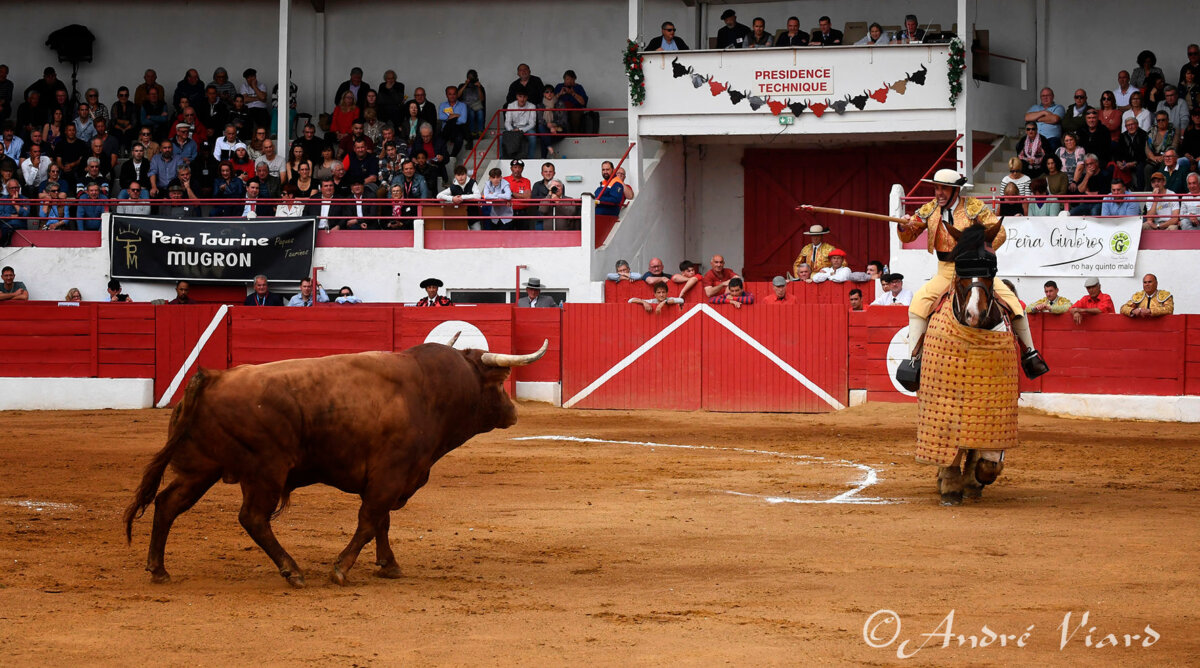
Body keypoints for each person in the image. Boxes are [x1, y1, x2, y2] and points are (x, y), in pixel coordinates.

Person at [896, 169, 1041, 367]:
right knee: (918, 305)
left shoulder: (974, 207)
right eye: (936, 188)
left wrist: (977, 253)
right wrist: (904, 226)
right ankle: (914, 361)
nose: (939, 193)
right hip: (945, 271)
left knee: (1013, 303)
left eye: (944, 188)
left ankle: (1030, 355)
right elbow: (909, 234)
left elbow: (999, 233)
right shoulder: (929, 210)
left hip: (975, 269)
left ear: (956, 190)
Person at [530, 162, 575, 231]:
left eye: (550, 171)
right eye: (545, 171)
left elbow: (561, 198)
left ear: (554, 173)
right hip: (540, 218)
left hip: (559, 218)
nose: (548, 173)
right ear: (542, 173)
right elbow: (534, 199)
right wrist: (549, 196)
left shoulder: (560, 185)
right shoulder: (537, 185)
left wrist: (556, 199)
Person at [1112, 116, 1149, 190]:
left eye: (1132, 124)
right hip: (1126, 162)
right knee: (1116, 167)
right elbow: (1118, 152)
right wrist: (1118, 161)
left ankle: (1140, 191)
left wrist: (1133, 163)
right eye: (1128, 125)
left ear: (1137, 125)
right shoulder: (1123, 136)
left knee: (1140, 167)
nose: (1130, 127)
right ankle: (1121, 189)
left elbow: (1144, 154)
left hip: (1140, 161)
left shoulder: (1143, 135)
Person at [1025, 88, 1065, 152]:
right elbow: (1027, 117)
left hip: (1051, 138)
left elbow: (1055, 119)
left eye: (1048, 95)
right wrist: (1043, 112)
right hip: (1034, 138)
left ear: (1053, 96)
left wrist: (1036, 119)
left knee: (1052, 146)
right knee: (1020, 146)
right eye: (1043, 96)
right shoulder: (1035, 107)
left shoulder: (1059, 107)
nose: (1045, 97)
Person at [504, 91, 539, 159]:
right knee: (501, 136)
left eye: (524, 97)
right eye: (520, 96)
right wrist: (511, 130)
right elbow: (507, 122)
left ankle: (530, 158)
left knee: (532, 136)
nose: (522, 99)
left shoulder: (532, 106)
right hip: (513, 128)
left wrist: (520, 130)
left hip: (526, 128)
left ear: (527, 97)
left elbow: (532, 123)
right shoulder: (511, 105)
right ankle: (502, 158)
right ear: (517, 96)